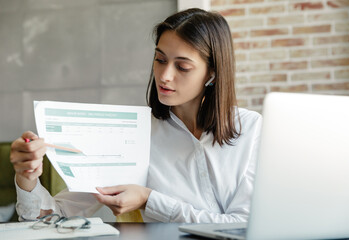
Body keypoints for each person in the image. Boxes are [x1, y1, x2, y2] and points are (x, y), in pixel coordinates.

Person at [10, 8, 262, 223]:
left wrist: (149, 200)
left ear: (212, 74)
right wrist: (27, 178)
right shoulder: (133, 137)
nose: (165, 76)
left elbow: (244, 225)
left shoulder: (250, 129)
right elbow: (54, 217)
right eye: (160, 60)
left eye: (182, 66)